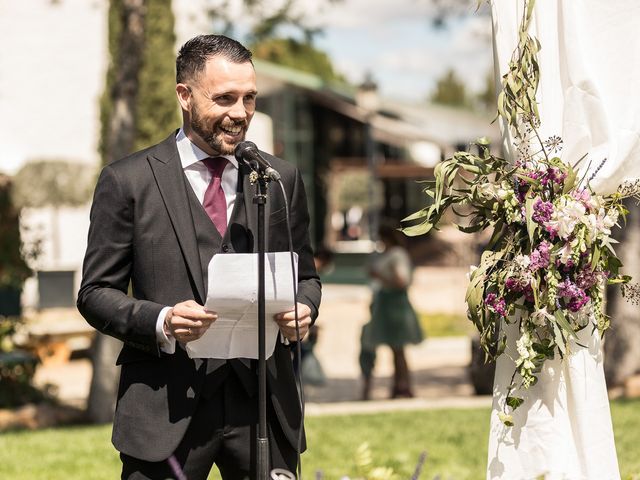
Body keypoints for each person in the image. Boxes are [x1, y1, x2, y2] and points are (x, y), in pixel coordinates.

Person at [77, 34, 321, 479]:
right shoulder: (127, 181)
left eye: (249, 98)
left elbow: (306, 277)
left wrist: (305, 308)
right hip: (164, 409)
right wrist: (162, 320)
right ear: (184, 96)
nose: (240, 113)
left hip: (263, 406)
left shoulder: (279, 178)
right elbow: (94, 293)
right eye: (224, 98)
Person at [359, 224, 423, 400]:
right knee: (395, 350)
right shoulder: (389, 254)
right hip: (386, 304)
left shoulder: (396, 254)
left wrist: (380, 276)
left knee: (399, 348)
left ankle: (404, 385)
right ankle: (398, 385)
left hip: (395, 305)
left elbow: (401, 281)